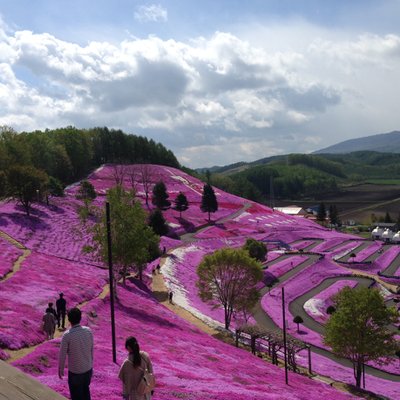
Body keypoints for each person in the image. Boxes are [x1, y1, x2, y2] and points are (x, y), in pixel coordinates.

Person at [59, 307, 93, 400]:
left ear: (69, 320)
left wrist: (60, 369)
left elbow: (62, 355)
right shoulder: (88, 331)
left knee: (76, 396)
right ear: (80, 318)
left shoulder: (67, 335)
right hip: (88, 370)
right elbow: (91, 350)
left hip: (75, 372)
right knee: (86, 392)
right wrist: (91, 364)